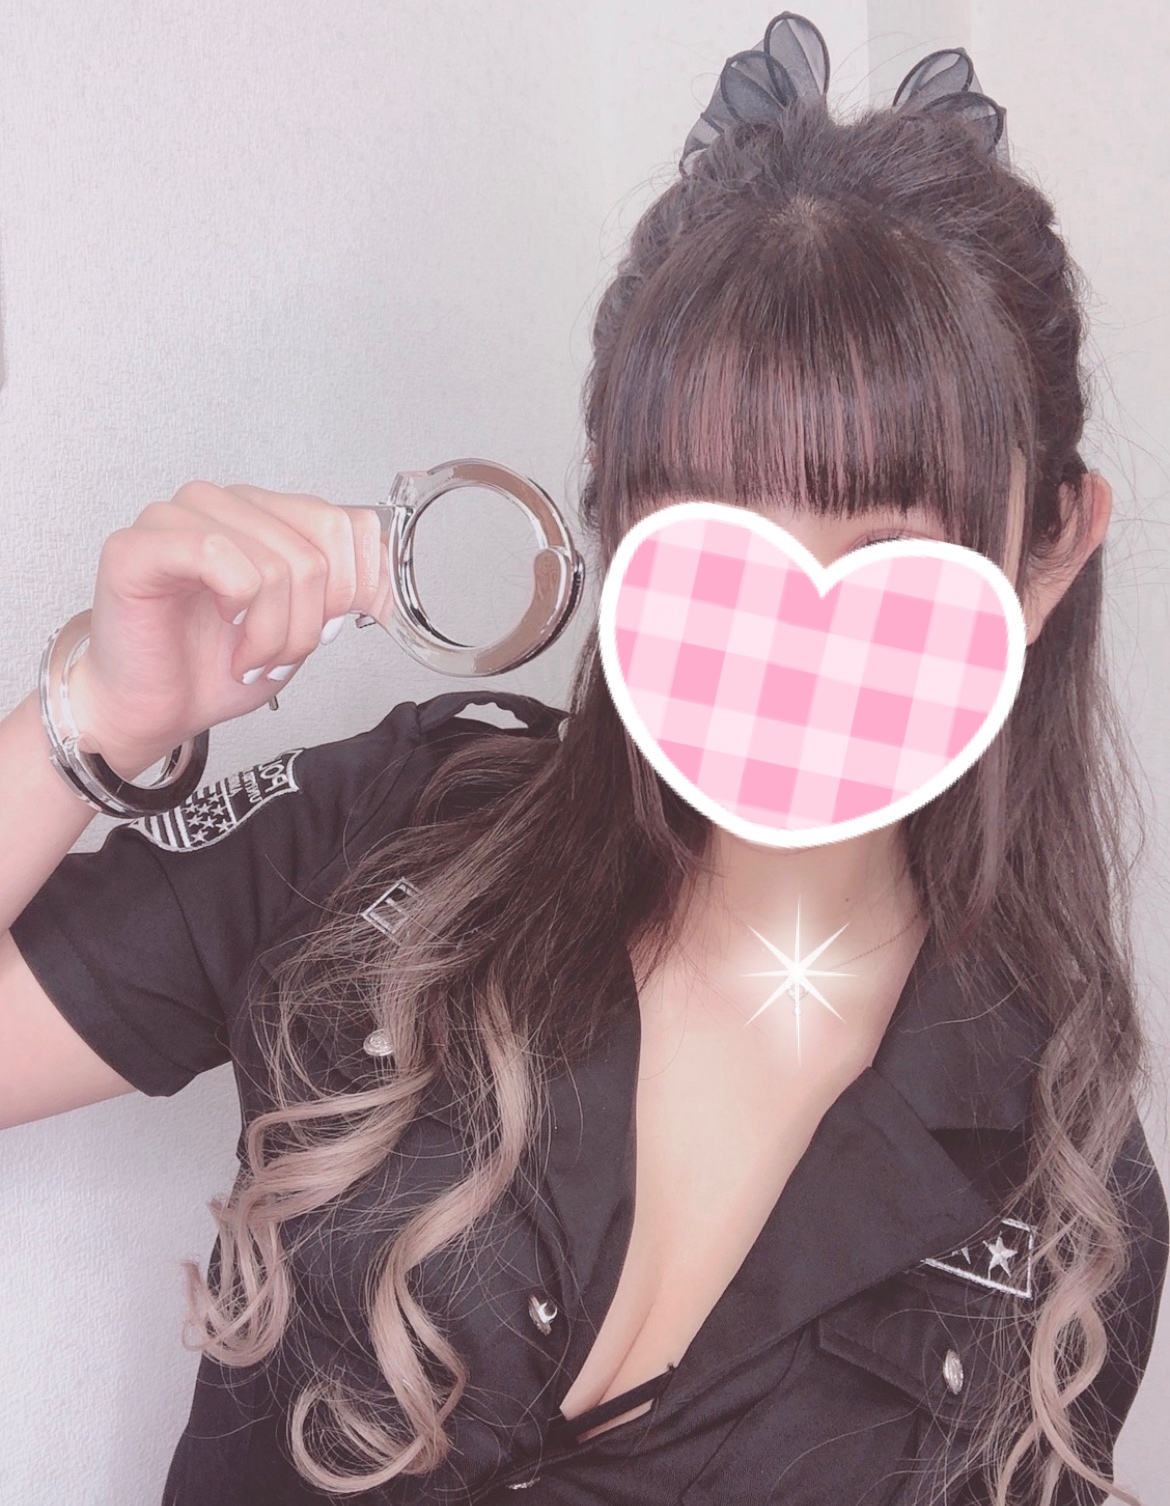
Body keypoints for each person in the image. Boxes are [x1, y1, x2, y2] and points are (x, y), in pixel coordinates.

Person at [1, 13, 1167, 1505]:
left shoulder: (1070, 1204)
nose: (788, 646)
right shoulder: (392, 834)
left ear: (1048, 553)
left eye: (891, 556)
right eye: (714, 543)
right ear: (615, 524)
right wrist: (97, 717)